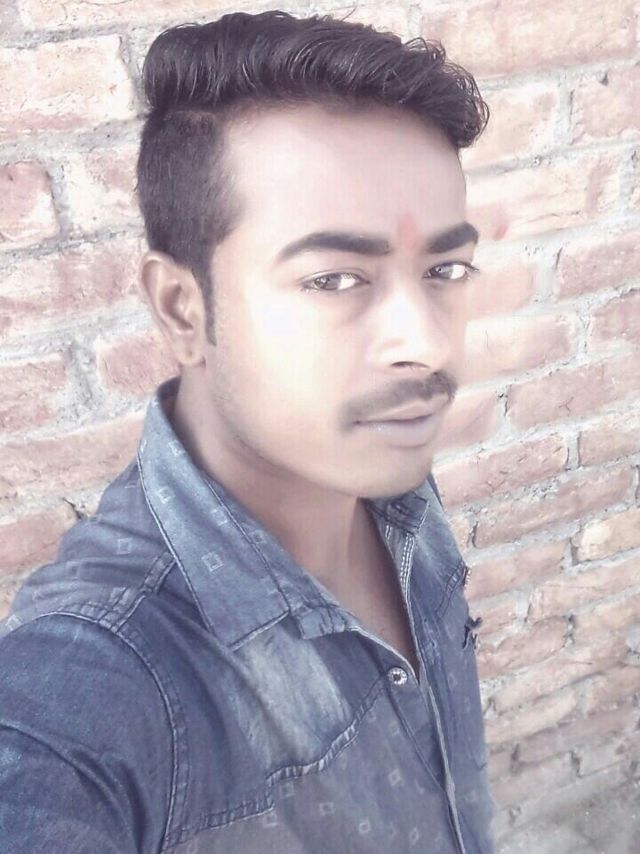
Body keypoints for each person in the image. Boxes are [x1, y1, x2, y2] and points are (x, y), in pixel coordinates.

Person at [0, 10, 495, 853]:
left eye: (444, 269)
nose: (427, 345)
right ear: (181, 309)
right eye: (335, 279)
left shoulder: (391, 476)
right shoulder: (103, 679)